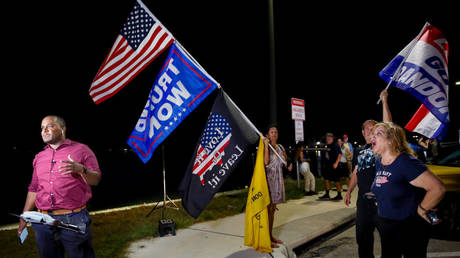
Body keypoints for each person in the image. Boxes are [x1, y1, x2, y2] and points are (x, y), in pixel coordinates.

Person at [18, 115, 102, 258]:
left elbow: (96, 180)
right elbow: (34, 189)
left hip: (74, 218)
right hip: (43, 221)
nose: (44, 130)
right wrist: (23, 217)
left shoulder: (81, 150)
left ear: (63, 129)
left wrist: (82, 169)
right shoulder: (39, 157)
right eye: (42, 128)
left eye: (49, 126)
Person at [371, 122, 445, 258]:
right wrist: (380, 198)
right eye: (372, 134)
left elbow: (437, 188)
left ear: (391, 140)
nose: (372, 137)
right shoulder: (379, 161)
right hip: (387, 225)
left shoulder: (406, 162)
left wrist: (422, 209)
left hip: (409, 226)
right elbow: (388, 184)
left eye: (378, 134)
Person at [344, 89, 392, 258]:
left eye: (374, 129)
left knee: (389, 242)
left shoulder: (380, 147)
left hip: (381, 202)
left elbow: (389, 127)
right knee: (363, 241)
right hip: (363, 203)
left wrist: (384, 101)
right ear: (363, 132)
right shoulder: (358, 151)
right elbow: (356, 172)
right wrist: (349, 191)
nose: (371, 132)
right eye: (368, 129)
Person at [263, 125, 291, 248]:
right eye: (272, 132)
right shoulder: (267, 147)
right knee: (268, 210)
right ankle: (266, 239)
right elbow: (266, 162)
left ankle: (270, 235)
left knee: (273, 210)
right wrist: (265, 145)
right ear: (268, 135)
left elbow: (285, 162)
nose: (274, 134)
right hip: (269, 180)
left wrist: (288, 165)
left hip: (278, 180)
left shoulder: (280, 147)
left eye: (276, 132)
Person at [318, 133, 343, 201]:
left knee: (336, 180)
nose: (328, 138)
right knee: (326, 179)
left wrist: (336, 163)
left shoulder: (335, 145)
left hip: (334, 165)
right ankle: (327, 194)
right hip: (328, 165)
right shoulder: (327, 145)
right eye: (327, 137)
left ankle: (339, 195)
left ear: (332, 138)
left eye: (329, 137)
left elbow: (340, 154)